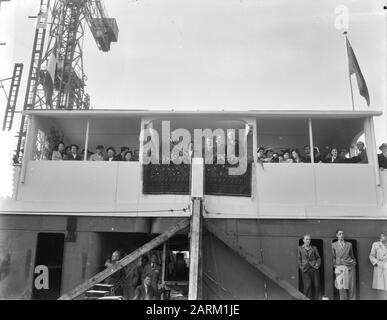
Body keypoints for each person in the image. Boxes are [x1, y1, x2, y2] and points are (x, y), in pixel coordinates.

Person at [332, 229, 356, 300]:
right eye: (339, 234)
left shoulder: (349, 244)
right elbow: (333, 257)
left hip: (350, 266)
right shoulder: (333, 245)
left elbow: (352, 256)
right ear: (337, 235)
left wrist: (353, 262)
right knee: (341, 286)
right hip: (339, 267)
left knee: (351, 285)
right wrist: (336, 266)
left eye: (342, 234)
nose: (341, 235)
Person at [297, 234, 321, 300]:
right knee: (308, 286)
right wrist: (302, 268)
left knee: (317, 286)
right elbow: (299, 260)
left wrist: (317, 265)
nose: (308, 241)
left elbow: (318, 258)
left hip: (314, 269)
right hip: (305, 270)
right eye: (307, 239)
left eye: (309, 239)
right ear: (303, 240)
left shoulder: (314, 248)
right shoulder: (299, 248)